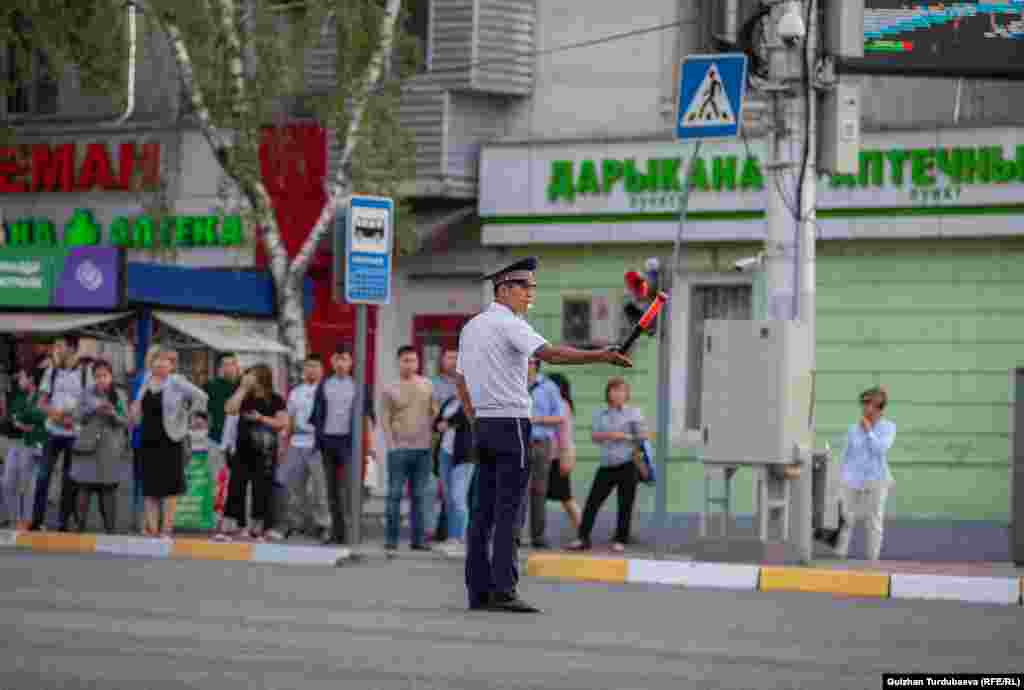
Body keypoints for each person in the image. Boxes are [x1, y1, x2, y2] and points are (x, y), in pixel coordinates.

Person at [457, 256, 631, 613]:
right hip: (512, 425)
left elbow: (460, 381)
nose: (531, 295)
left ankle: (478, 592)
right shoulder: (511, 324)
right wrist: (601, 355)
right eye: (526, 288)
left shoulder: (472, 326)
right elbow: (549, 353)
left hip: (485, 425)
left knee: (482, 512)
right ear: (505, 289)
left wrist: (476, 419)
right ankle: (504, 591)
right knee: (510, 512)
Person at [131, 349, 209, 539]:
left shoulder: (176, 381)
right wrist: (134, 412)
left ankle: (166, 529)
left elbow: (202, 396)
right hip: (147, 440)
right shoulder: (146, 380)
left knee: (169, 489)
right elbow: (137, 407)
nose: (159, 363)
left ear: (171, 365)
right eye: (156, 359)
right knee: (150, 488)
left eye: (164, 360)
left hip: (170, 441)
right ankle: (152, 529)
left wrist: (192, 417)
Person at [567, 378, 648, 553]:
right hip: (607, 464)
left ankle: (620, 539)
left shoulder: (633, 413)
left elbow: (642, 437)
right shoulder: (601, 413)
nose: (618, 394)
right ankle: (582, 538)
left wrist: (624, 437)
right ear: (608, 393)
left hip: (627, 463)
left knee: (625, 503)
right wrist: (609, 434)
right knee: (592, 502)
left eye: (622, 391)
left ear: (627, 394)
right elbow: (594, 436)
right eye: (614, 390)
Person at [309, 343, 376, 545]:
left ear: (351, 362)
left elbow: (367, 417)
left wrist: (370, 446)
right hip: (327, 441)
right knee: (331, 491)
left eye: (345, 359)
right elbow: (317, 415)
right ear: (331, 362)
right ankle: (337, 533)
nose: (341, 363)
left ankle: (351, 532)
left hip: (349, 443)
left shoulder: (358, 386)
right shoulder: (324, 385)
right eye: (337, 359)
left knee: (349, 489)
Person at [220, 364, 288, 541]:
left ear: (262, 377)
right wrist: (242, 389)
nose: (248, 378)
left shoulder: (275, 399)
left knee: (261, 489)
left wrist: (261, 418)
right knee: (236, 486)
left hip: (265, 450)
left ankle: (259, 528)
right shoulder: (244, 395)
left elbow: (282, 423)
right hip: (242, 449)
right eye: (247, 375)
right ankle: (234, 525)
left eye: (252, 375)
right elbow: (229, 409)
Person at [31, 335, 93, 532]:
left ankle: (62, 523)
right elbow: (40, 402)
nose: (56, 349)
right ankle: (37, 521)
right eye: (55, 345)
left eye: (60, 345)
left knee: (70, 480)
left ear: (72, 348)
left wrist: (73, 418)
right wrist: (55, 415)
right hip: (53, 431)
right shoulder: (52, 371)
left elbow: (90, 404)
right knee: (43, 477)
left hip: (74, 433)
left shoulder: (85, 373)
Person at [381, 346, 436, 552]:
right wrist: (390, 444)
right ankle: (391, 540)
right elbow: (385, 418)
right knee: (394, 494)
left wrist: (430, 436)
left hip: (423, 449)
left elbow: (434, 412)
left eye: (413, 360)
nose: (410, 364)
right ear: (398, 362)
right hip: (399, 449)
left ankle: (418, 540)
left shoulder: (427, 385)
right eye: (405, 360)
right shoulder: (390, 388)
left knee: (419, 495)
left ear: (418, 362)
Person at [834, 385, 896, 562]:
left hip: (876, 479)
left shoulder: (888, 427)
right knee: (845, 518)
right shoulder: (853, 429)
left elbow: (880, 449)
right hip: (851, 480)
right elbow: (845, 455)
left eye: (868, 403)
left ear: (878, 407)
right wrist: (839, 478)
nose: (864, 407)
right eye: (863, 403)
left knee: (874, 522)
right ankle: (838, 555)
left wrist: (869, 431)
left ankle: (872, 560)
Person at [71, 360, 130, 534]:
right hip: (87, 446)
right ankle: (79, 527)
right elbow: (76, 415)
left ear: (111, 376)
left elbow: (127, 420)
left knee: (108, 488)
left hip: (110, 448)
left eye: (104, 376)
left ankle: (110, 530)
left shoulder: (119, 394)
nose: (101, 379)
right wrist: (92, 411)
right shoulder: (86, 393)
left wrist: (112, 414)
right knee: (84, 486)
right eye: (97, 376)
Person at [279, 356, 331, 541]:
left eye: (315, 366)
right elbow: (290, 419)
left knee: (320, 489)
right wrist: (285, 445)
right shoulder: (296, 392)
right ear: (304, 369)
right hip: (296, 444)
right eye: (308, 366)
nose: (311, 370)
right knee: (294, 488)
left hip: (317, 445)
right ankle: (296, 524)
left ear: (322, 370)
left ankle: (323, 525)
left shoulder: (327, 390)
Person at [524, 358, 564, 549]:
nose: (527, 366)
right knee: (517, 490)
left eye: (531, 362)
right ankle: (514, 535)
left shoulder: (548, 387)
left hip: (541, 442)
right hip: (518, 443)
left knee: (539, 490)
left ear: (536, 365)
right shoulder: (514, 385)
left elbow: (559, 417)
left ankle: (538, 536)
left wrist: (536, 419)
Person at [433, 380, 475, 555]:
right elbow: (436, 423)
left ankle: (462, 539)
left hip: (464, 456)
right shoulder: (450, 401)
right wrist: (440, 424)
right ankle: (452, 537)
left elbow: (465, 418)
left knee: (459, 497)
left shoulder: (473, 402)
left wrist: (447, 423)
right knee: (448, 497)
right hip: (445, 453)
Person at [2, 368, 47, 531]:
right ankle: (15, 520)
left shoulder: (41, 397)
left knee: (28, 485)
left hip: (33, 444)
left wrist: (25, 420)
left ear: (31, 380)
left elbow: (41, 420)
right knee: (7, 482)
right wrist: (23, 421)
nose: (19, 381)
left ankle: (26, 521)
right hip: (16, 442)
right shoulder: (18, 397)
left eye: (22, 377)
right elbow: (12, 419)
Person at [545, 372, 581, 535]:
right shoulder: (554, 404)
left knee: (566, 498)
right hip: (548, 456)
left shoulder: (562, 405)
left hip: (556, 458)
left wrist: (566, 457)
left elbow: (564, 434)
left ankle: (583, 532)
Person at [431, 347, 459, 542]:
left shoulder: (466, 384)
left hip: (465, 446)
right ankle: (441, 530)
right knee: (442, 488)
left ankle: (454, 532)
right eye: (449, 357)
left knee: (457, 490)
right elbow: (432, 412)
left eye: (457, 357)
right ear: (441, 360)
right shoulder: (434, 384)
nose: (453, 361)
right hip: (439, 443)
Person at [204, 352, 241, 497]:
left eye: (232, 364)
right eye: (225, 365)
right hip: (215, 439)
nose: (229, 368)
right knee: (215, 481)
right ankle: (216, 515)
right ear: (219, 367)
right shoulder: (210, 386)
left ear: (237, 366)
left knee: (237, 482)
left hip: (239, 441)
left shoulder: (243, 386)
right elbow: (200, 410)